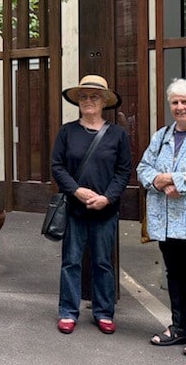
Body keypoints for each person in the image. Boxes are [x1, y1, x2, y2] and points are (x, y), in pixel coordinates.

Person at [51, 75, 131, 335]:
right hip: (74, 209)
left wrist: (107, 197)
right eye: (83, 96)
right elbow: (57, 166)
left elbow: (124, 171)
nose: (88, 101)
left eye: (94, 96)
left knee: (103, 263)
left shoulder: (118, 135)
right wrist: (76, 190)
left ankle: (104, 312)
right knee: (71, 261)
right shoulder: (67, 131)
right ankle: (67, 311)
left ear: (104, 101)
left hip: (105, 211)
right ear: (78, 101)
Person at [137, 78, 186, 352]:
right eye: (175, 102)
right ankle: (179, 327)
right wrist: (158, 181)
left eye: (184, 102)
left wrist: (175, 180)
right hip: (167, 224)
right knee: (175, 276)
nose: (179, 107)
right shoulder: (162, 136)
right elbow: (143, 168)